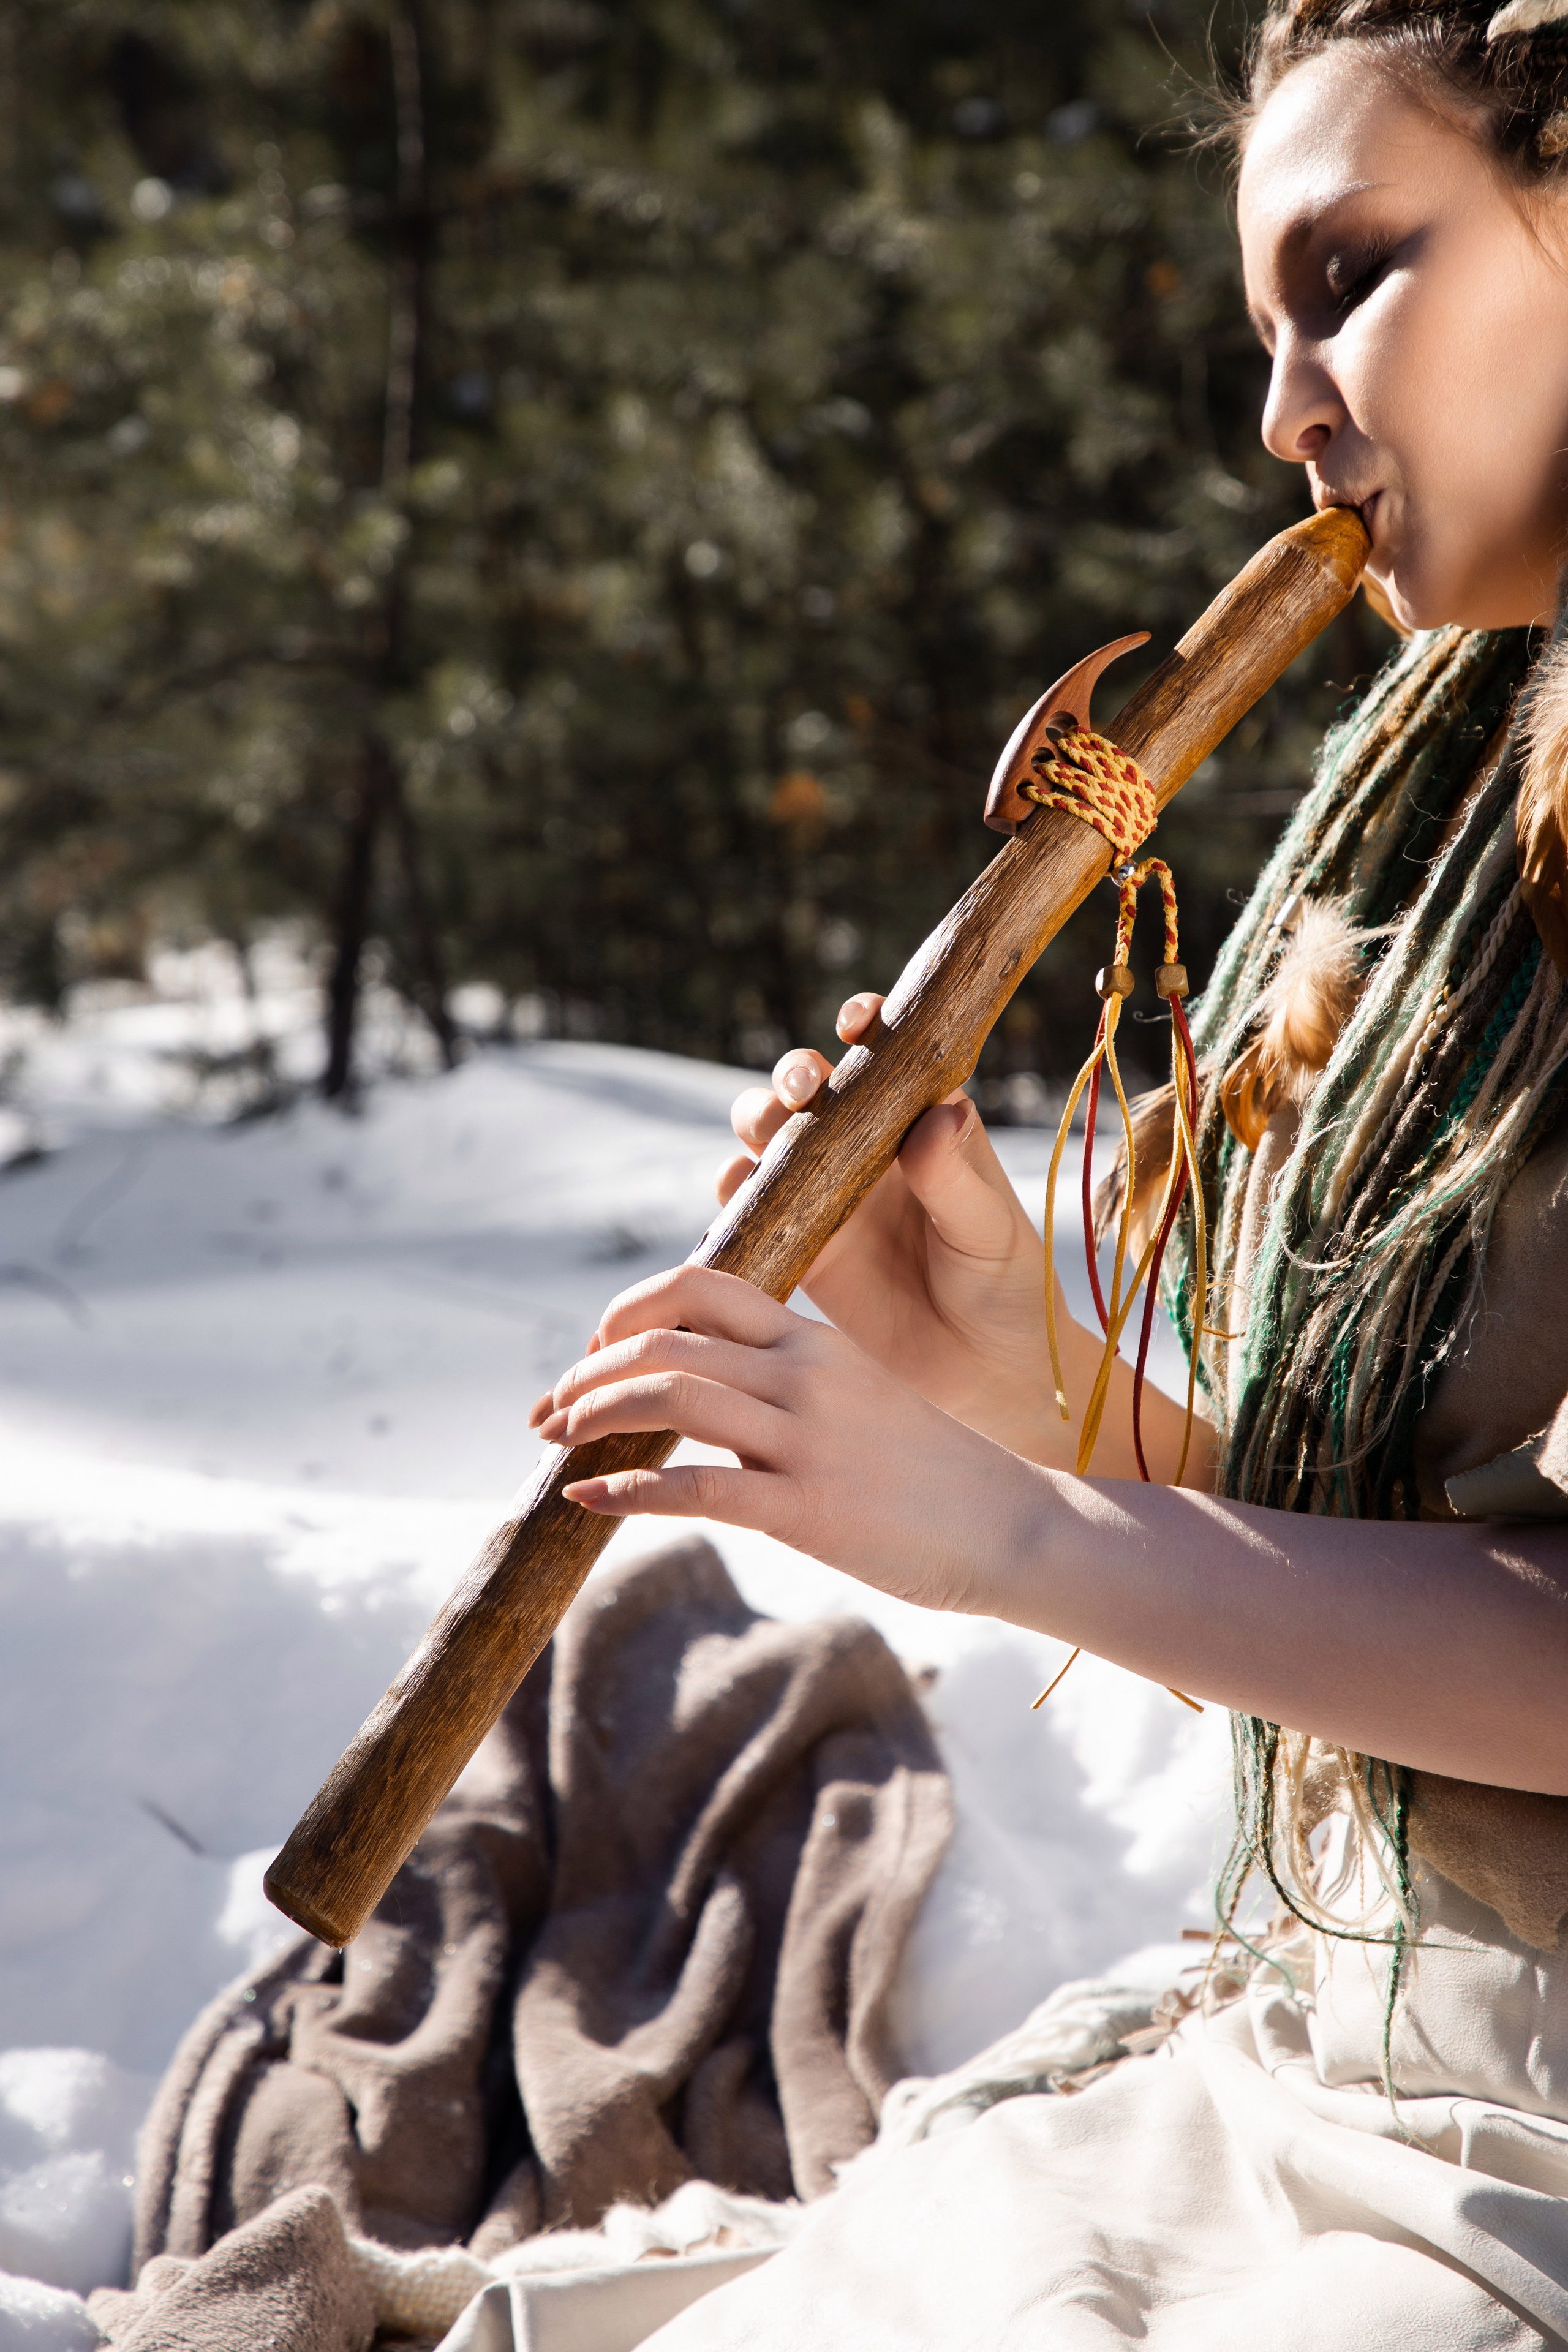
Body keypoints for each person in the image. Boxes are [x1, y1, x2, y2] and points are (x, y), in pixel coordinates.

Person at [527, 3, 1568, 2341]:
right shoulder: (1472, 790)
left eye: (1350, 276)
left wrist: (1007, 1534)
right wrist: (1026, 1386)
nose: (1286, 409)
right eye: (1265, 326)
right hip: (1345, 2037)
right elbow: (1451, 1560)